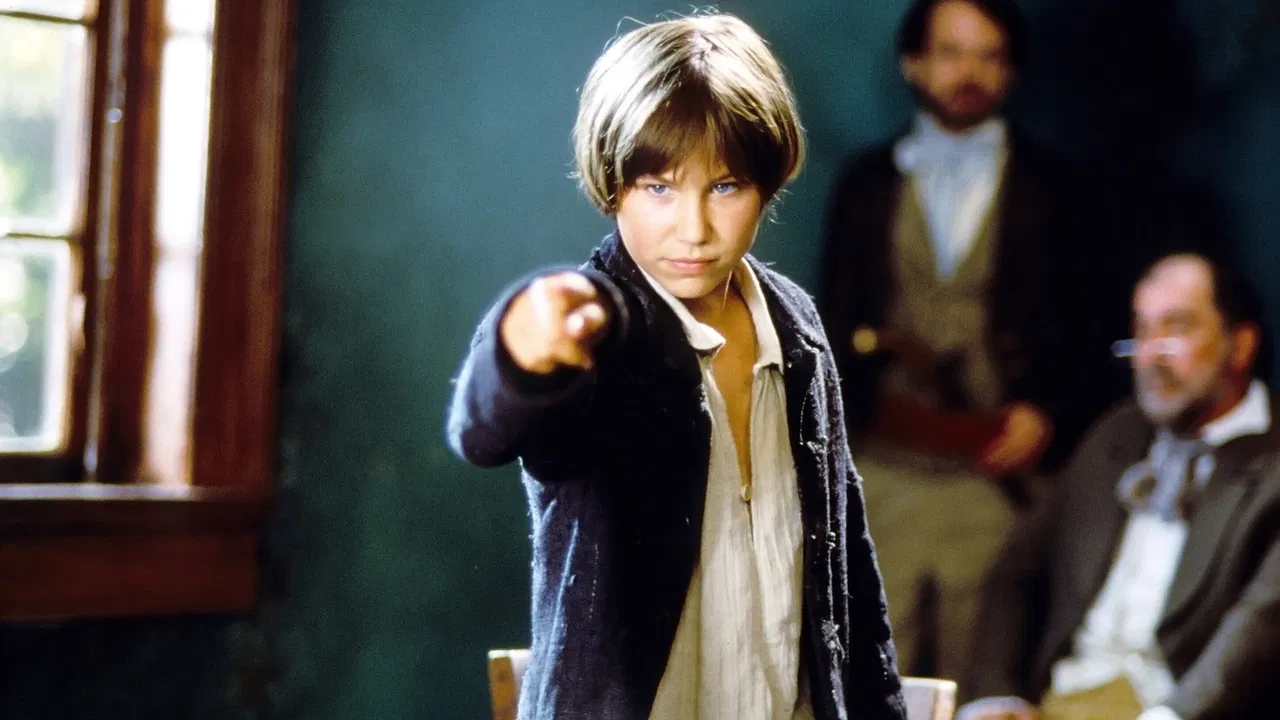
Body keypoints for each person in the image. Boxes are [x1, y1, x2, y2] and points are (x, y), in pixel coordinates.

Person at [447, 13, 905, 720]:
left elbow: (851, 577)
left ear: (766, 185)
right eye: (659, 187)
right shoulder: (599, 331)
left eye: (725, 187)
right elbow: (484, 429)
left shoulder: (797, 327)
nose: (693, 229)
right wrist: (521, 348)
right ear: (614, 185)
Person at [817, 0, 1103, 684]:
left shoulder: (1060, 189)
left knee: (982, 674)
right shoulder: (865, 183)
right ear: (913, 64)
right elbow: (832, 327)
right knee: (870, 673)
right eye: (950, 52)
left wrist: (1049, 415)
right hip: (883, 472)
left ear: (1011, 72)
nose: (968, 73)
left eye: (988, 55)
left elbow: (1097, 332)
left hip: (998, 479)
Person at [963, 252, 1280, 720]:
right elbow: (1017, 571)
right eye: (1142, 331)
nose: (1150, 355)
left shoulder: (1271, 461)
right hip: (1060, 700)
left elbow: (1262, 621)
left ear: (1241, 345)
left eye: (1175, 329)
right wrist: (995, 694)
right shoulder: (1117, 435)